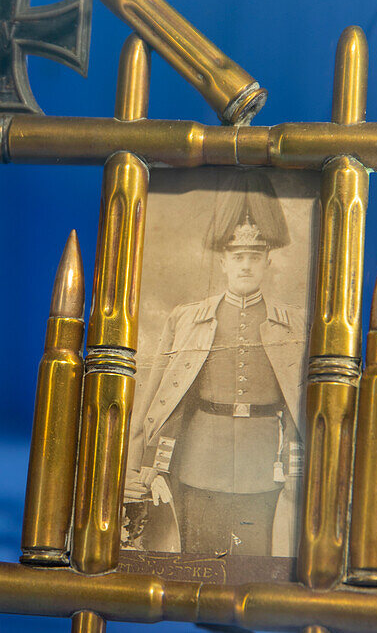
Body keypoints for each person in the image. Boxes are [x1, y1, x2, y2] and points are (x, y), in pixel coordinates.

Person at [125, 172, 306, 557]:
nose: (245, 266)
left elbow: (296, 404)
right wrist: (153, 466)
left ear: (268, 262)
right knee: (197, 559)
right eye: (237, 258)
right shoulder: (188, 320)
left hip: (262, 467)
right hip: (199, 462)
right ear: (223, 262)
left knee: (252, 562)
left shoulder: (292, 324)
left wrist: (295, 464)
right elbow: (169, 401)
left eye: (254, 258)